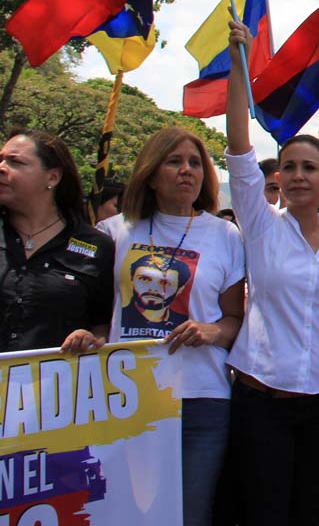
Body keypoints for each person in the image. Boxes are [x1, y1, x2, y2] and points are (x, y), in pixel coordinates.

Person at [225, 20, 319, 526]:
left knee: (316, 511)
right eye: (289, 167)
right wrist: (240, 63)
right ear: (277, 177)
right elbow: (239, 145)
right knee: (264, 511)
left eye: (309, 167)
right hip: (262, 402)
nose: (297, 176)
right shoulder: (259, 225)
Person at [98, 126, 246, 526]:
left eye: (195, 163)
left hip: (201, 401)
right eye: (174, 161)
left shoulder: (225, 234)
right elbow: (96, 315)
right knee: (123, 514)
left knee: (188, 514)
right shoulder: (113, 233)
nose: (187, 171)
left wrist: (213, 331)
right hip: (124, 398)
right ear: (150, 173)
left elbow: (235, 318)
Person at [0, 129, 115, 355]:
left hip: (58, 387)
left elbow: (102, 324)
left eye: (15, 162)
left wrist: (91, 339)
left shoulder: (97, 246)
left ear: (52, 177)